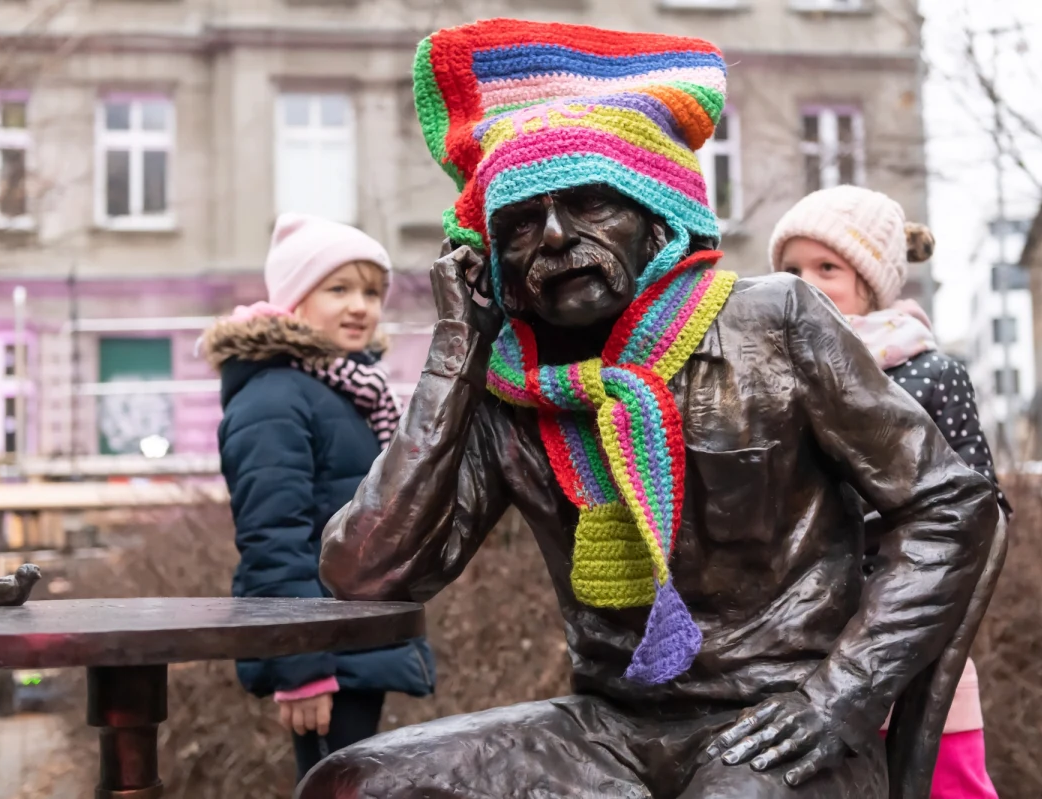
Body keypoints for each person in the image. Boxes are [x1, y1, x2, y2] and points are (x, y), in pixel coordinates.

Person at [299, 20, 999, 799]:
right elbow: (365, 573)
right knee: (353, 784)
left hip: (777, 722)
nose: (557, 236)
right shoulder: (506, 386)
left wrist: (842, 696)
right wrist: (456, 355)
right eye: (521, 224)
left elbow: (950, 505)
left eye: (590, 203)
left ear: (654, 214)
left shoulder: (776, 322)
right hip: (606, 728)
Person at [771, 185, 1007, 799]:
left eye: (829, 268)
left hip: (907, 619)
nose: (808, 283)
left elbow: (982, 512)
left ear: (871, 285)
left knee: (944, 777)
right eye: (792, 270)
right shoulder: (772, 380)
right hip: (797, 628)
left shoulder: (927, 373)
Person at [203, 213, 435, 782]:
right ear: (295, 299)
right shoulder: (273, 401)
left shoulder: (348, 391)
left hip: (354, 640)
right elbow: (273, 540)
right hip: (324, 653)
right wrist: (301, 667)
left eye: (371, 292)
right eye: (338, 289)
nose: (360, 306)